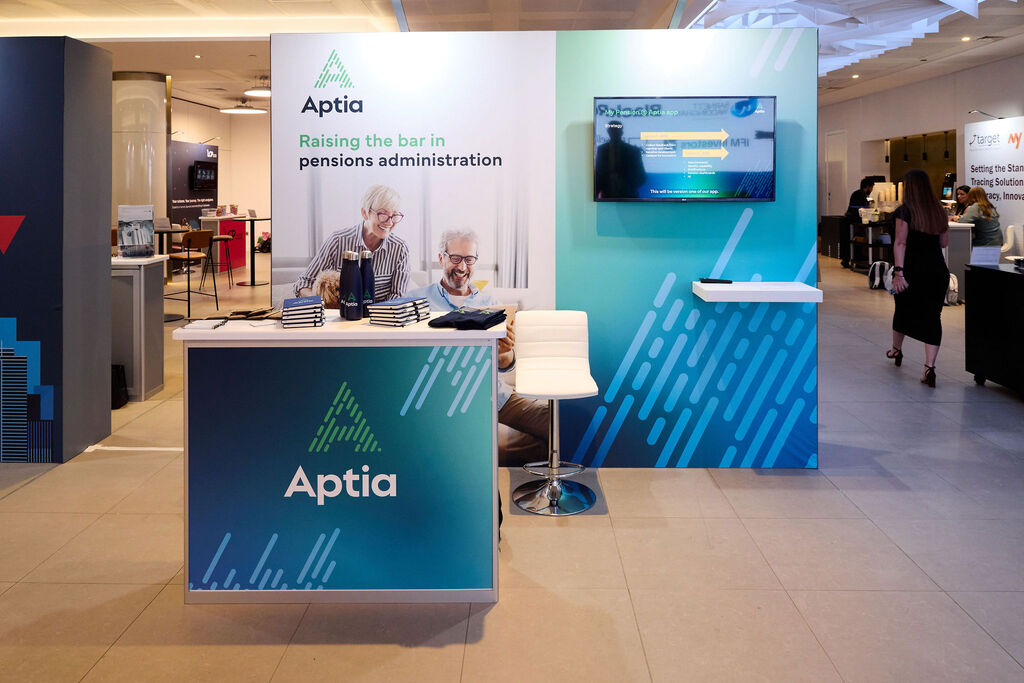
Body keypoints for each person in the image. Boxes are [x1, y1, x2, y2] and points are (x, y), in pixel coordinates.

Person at [407, 229, 549, 465]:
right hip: (447, 401)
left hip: (495, 395)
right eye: (455, 258)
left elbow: (505, 365)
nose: (462, 266)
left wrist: (505, 352)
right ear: (441, 258)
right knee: (501, 447)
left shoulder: (490, 304)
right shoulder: (415, 300)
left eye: (469, 259)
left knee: (554, 422)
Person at [887, 169, 950, 388]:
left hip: (912, 271)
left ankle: (896, 350)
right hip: (937, 272)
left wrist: (899, 272)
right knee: (933, 317)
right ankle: (929, 367)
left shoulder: (904, 211)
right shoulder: (939, 211)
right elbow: (943, 243)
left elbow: (900, 242)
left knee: (902, 308)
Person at [293, 184, 410, 302]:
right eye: (383, 214)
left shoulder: (400, 249)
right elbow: (303, 283)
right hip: (341, 313)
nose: (389, 222)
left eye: (394, 215)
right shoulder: (337, 241)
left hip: (381, 313)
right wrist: (325, 305)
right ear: (365, 213)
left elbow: (397, 297)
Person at [594, 120, 647, 199]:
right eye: (612, 130)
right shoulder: (601, 150)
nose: (614, 133)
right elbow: (598, 175)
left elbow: (642, 177)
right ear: (608, 132)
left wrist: (626, 185)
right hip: (608, 196)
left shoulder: (633, 151)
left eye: (616, 130)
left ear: (621, 132)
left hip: (629, 197)